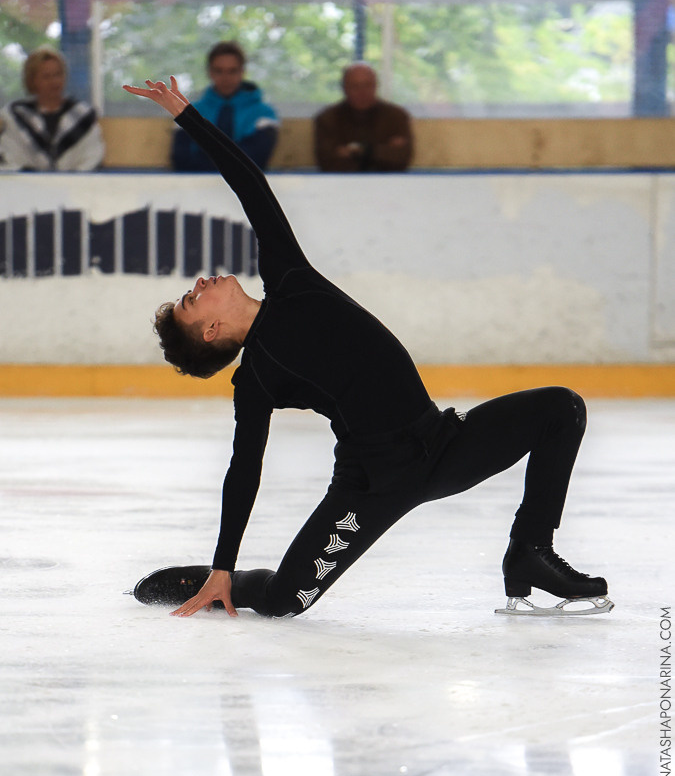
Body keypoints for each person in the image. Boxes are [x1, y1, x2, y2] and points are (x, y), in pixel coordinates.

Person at [123, 76, 612, 621]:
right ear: (211, 332)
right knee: (285, 601)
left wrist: (185, 113)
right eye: (192, 301)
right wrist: (222, 565)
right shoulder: (255, 378)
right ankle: (222, 585)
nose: (199, 285)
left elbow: (250, 184)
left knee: (561, 408)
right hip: (371, 485)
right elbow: (244, 469)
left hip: (442, 444)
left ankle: (529, 552)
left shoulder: (290, 279)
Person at [171, 41, 279, 172]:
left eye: (232, 71)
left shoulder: (264, 114)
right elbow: (181, 159)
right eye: (219, 71)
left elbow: (257, 159)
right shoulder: (189, 112)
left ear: (242, 72)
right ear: (210, 72)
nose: (225, 77)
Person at [0, 46, 105, 172]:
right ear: (32, 80)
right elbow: (9, 156)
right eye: (46, 76)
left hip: (76, 182)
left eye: (58, 74)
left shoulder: (83, 117)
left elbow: (93, 156)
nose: (54, 82)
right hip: (26, 182)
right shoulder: (15, 116)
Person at [313, 63, 413, 173]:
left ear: (376, 86)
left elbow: (401, 160)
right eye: (355, 86)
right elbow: (328, 163)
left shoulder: (396, 117)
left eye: (368, 85)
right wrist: (381, 152)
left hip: (388, 181)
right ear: (344, 88)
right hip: (343, 181)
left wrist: (355, 150)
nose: (362, 92)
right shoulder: (327, 119)